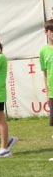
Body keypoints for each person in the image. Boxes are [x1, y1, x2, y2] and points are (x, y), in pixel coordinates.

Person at [39, 20, 53, 160]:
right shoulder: (43, 51)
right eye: (51, 30)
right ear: (46, 32)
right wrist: (47, 92)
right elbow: (45, 73)